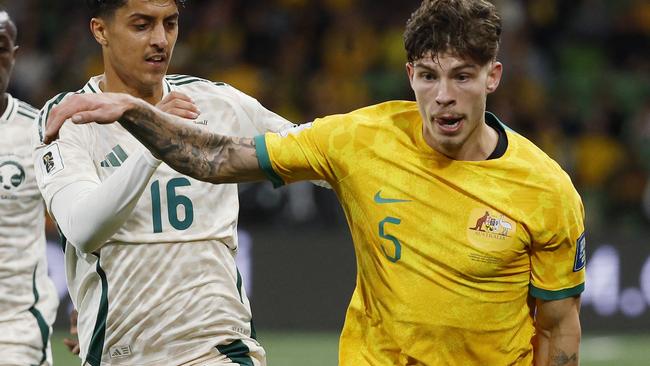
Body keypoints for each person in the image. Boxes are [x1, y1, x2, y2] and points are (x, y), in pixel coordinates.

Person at [42, 0, 586, 365]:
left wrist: (136, 117)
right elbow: (95, 223)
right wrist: (139, 118)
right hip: (117, 346)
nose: (443, 95)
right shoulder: (69, 119)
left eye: (461, 76)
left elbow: (560, 329)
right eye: (428, 76)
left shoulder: (546, 189)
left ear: (492, 76)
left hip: (217, 346)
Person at [33, 0, 296, 365]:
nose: (160, 40)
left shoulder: (215, 103)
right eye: (141, 25)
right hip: (122, 353)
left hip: (221, 351)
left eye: (170, 24)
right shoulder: (71, 116)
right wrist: (157, 139)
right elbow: (82, 227)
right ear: (101, 30)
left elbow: (308, 148)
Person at [0, 8, 59, 366]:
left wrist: (89, 301)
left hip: (15, 329)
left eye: (0, 48)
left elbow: (78, 224)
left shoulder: (40, 132)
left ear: (14, 55)